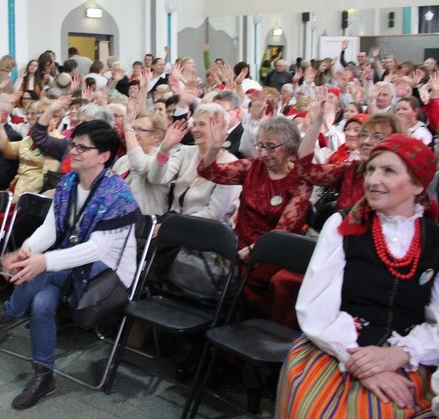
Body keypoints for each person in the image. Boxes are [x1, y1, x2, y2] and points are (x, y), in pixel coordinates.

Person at [0, 120, 141, 410]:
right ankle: (44, 377)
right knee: (41, 303)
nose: (74, 151)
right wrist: (26, 251)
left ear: (104, 156)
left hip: (108, 269)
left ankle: (4, 321)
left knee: (43, 273)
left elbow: (96, 249)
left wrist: (43, 260)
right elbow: (51, 229)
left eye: (83, 147)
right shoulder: (70, 182)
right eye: (74, 144)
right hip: (71, 259)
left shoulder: (117, 194)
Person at [276, 134, 439, 417]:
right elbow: (316, 307)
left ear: (418, 184)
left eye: (388, 171)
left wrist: (400, 354)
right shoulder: (343, 224)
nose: (373, 180)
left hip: (403, 352)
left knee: (397, 408)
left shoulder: (434, 239)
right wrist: (358, 362)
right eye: (371, 169)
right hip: (337, 345)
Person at [198, 115, 311, 326]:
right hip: (238, 244)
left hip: (272, 253)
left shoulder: (300, 180)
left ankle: (234, 343)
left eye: (271, 147)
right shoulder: (253, 167)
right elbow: (209, 172)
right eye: (260, 145)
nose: (264, 153)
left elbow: (284, 230)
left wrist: (253, 250)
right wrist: (214, 147)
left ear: (290, 148)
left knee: (242, 286)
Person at [149, 103, 241, 220]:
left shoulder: (231, 165)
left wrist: (175, 225)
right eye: (194, 124)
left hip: (207, 230)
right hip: (175, 220)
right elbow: (155, 178)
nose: (195, 129)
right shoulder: (187, 152)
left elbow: (215, 214)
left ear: (219, 127)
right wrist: (165, 149)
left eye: (201, 124)